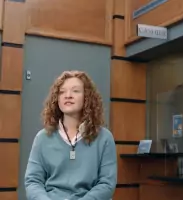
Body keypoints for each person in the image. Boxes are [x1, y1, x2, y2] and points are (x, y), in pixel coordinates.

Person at [24, 70, 117, 200]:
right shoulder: (42, 138)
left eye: (75, 91)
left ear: (87, 97)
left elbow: (107, 184)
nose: (68, 95)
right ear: (57, 99)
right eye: (62, 92)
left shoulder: (104, 138)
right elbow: (33, 181)